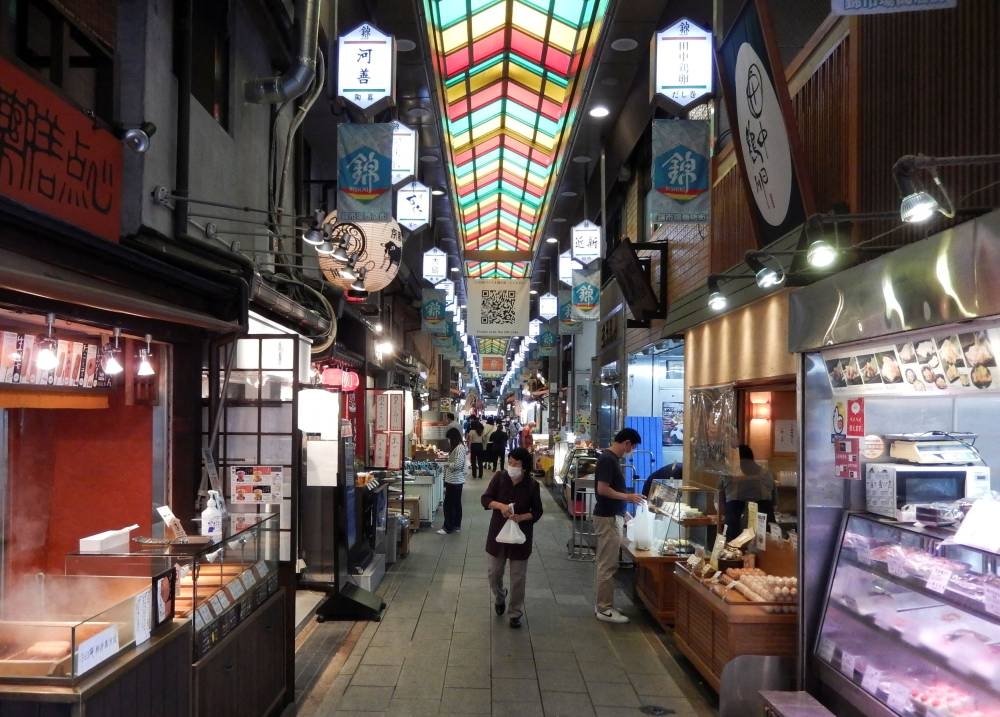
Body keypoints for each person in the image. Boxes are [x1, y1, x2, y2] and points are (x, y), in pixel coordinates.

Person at [481, 447, 543, 629]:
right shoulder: (500, 478)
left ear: (524, 467)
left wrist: (522, 517)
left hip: (520, 537)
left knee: (518, 578)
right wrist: (501, 506)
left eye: (516, 464)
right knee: (494, 573)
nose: (512, 466)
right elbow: (485, 499)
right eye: (510, 462)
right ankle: (500, 596)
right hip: (498, 535)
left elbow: (537, 511)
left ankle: (515, 612)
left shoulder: (532, 485)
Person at [593, 427, 645, 623]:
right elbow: (603, 490)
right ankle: (604, 608)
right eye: (632, 446)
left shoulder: (610, 459)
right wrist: (628, 497)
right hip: (606, 518)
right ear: (627, 443)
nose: (630, 450)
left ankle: (603, 603)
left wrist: (624, 511)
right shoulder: (608, 460)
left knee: (606, 563)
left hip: (611, 515)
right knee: (608, 565)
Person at [720, 444, 776, 543]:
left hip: (734, 526)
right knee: (763, 556)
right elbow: (775, 503)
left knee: (733, 555)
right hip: (762, 527)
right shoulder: (767, 474)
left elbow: (720, 505)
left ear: (735, 458)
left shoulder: (727, 474)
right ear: (752, 457)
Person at [437, 427, 468, 535]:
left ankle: (448, 527)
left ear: (453, 438)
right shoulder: (459, 447)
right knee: (455, 504)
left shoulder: (459, 448)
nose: (449, 441)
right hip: (456, 481)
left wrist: (446, 464)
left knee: (448, 505)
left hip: (454, 481)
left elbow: (457, 465)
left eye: (449, 439)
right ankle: (456, 525)